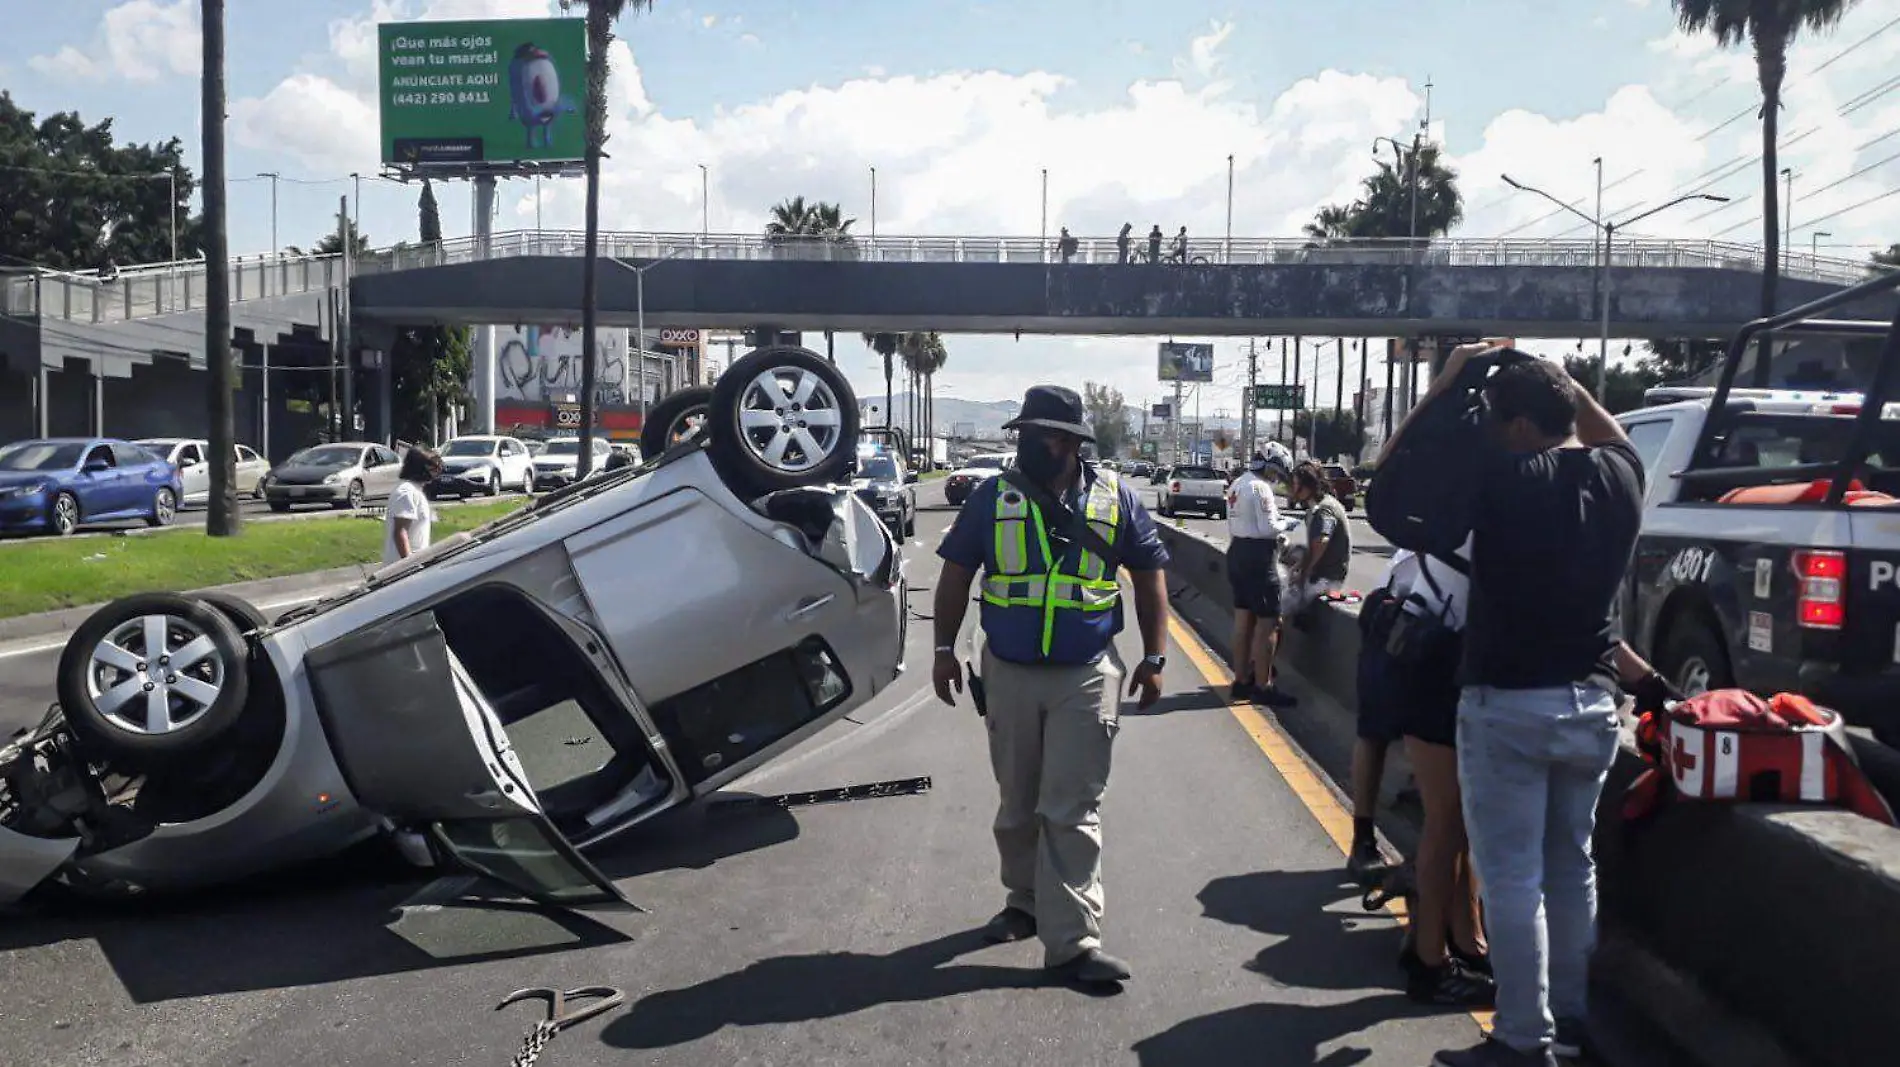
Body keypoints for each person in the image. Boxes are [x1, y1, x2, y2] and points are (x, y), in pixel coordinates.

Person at [1393, 346, 1679, 1067]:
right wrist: (1562, 381)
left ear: (1517, 424)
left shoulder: (1501, 478)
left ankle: (1523, 1038)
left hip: (1508, 705)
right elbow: (1608, 430)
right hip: (1591, 706)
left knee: (1513, 875)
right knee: (1570, 868)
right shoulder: (1620, 473)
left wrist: (1448, 388)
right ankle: (1571, 1020)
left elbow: (1394, 490)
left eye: (1496, 418)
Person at [932, 385, 1171, 988]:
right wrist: (942, 650)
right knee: (1017, 804)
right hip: (1009, 672)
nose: (1026, 443)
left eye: (1039, 434)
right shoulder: (993, 496)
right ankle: (1025, 904)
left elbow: (1149, 578)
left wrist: (1156, 658)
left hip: (1086, 674)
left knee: (1071, 807)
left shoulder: (1117, 499)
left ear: (1067, 441)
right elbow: (956, 575)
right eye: (1024, 432)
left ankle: (1073, 942)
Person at [1371, 538, 1496, 1008]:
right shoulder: (1492, 503)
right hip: (1444, 660)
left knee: (1452, 822)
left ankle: (1464, 944)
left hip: (1419, 647)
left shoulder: (1450, 503)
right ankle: (1430, 963)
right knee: (1447, 823)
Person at [1224, 453, 1295, 707]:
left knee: (1243, 622)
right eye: (1277, 473)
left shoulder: (1238, 483)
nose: (1277, 478)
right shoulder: (1260, 487)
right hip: (1258, 558)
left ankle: (1241, 680)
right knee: (1269, 623)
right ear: (1272, 467)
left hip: (1237, 553)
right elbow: (1268, 527)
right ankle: (1263, 686)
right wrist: (1287, 523)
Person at [1282, 461, 1351, 618]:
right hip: (1321, 575)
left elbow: (1322, 541)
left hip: (1326, 579)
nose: (1292, 489)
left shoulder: (1324, 509)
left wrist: (1304, 573)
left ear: (1307, 485)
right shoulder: (1315, 508)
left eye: (1296, 484)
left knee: (1279, 608)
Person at [383, 447, 442, 564]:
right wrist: (410, 566)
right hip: (401, 571)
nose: (436, 471)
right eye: (431, 467)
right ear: (418, 467)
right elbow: (400, 532)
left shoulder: (415, 490)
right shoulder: (406, 492)